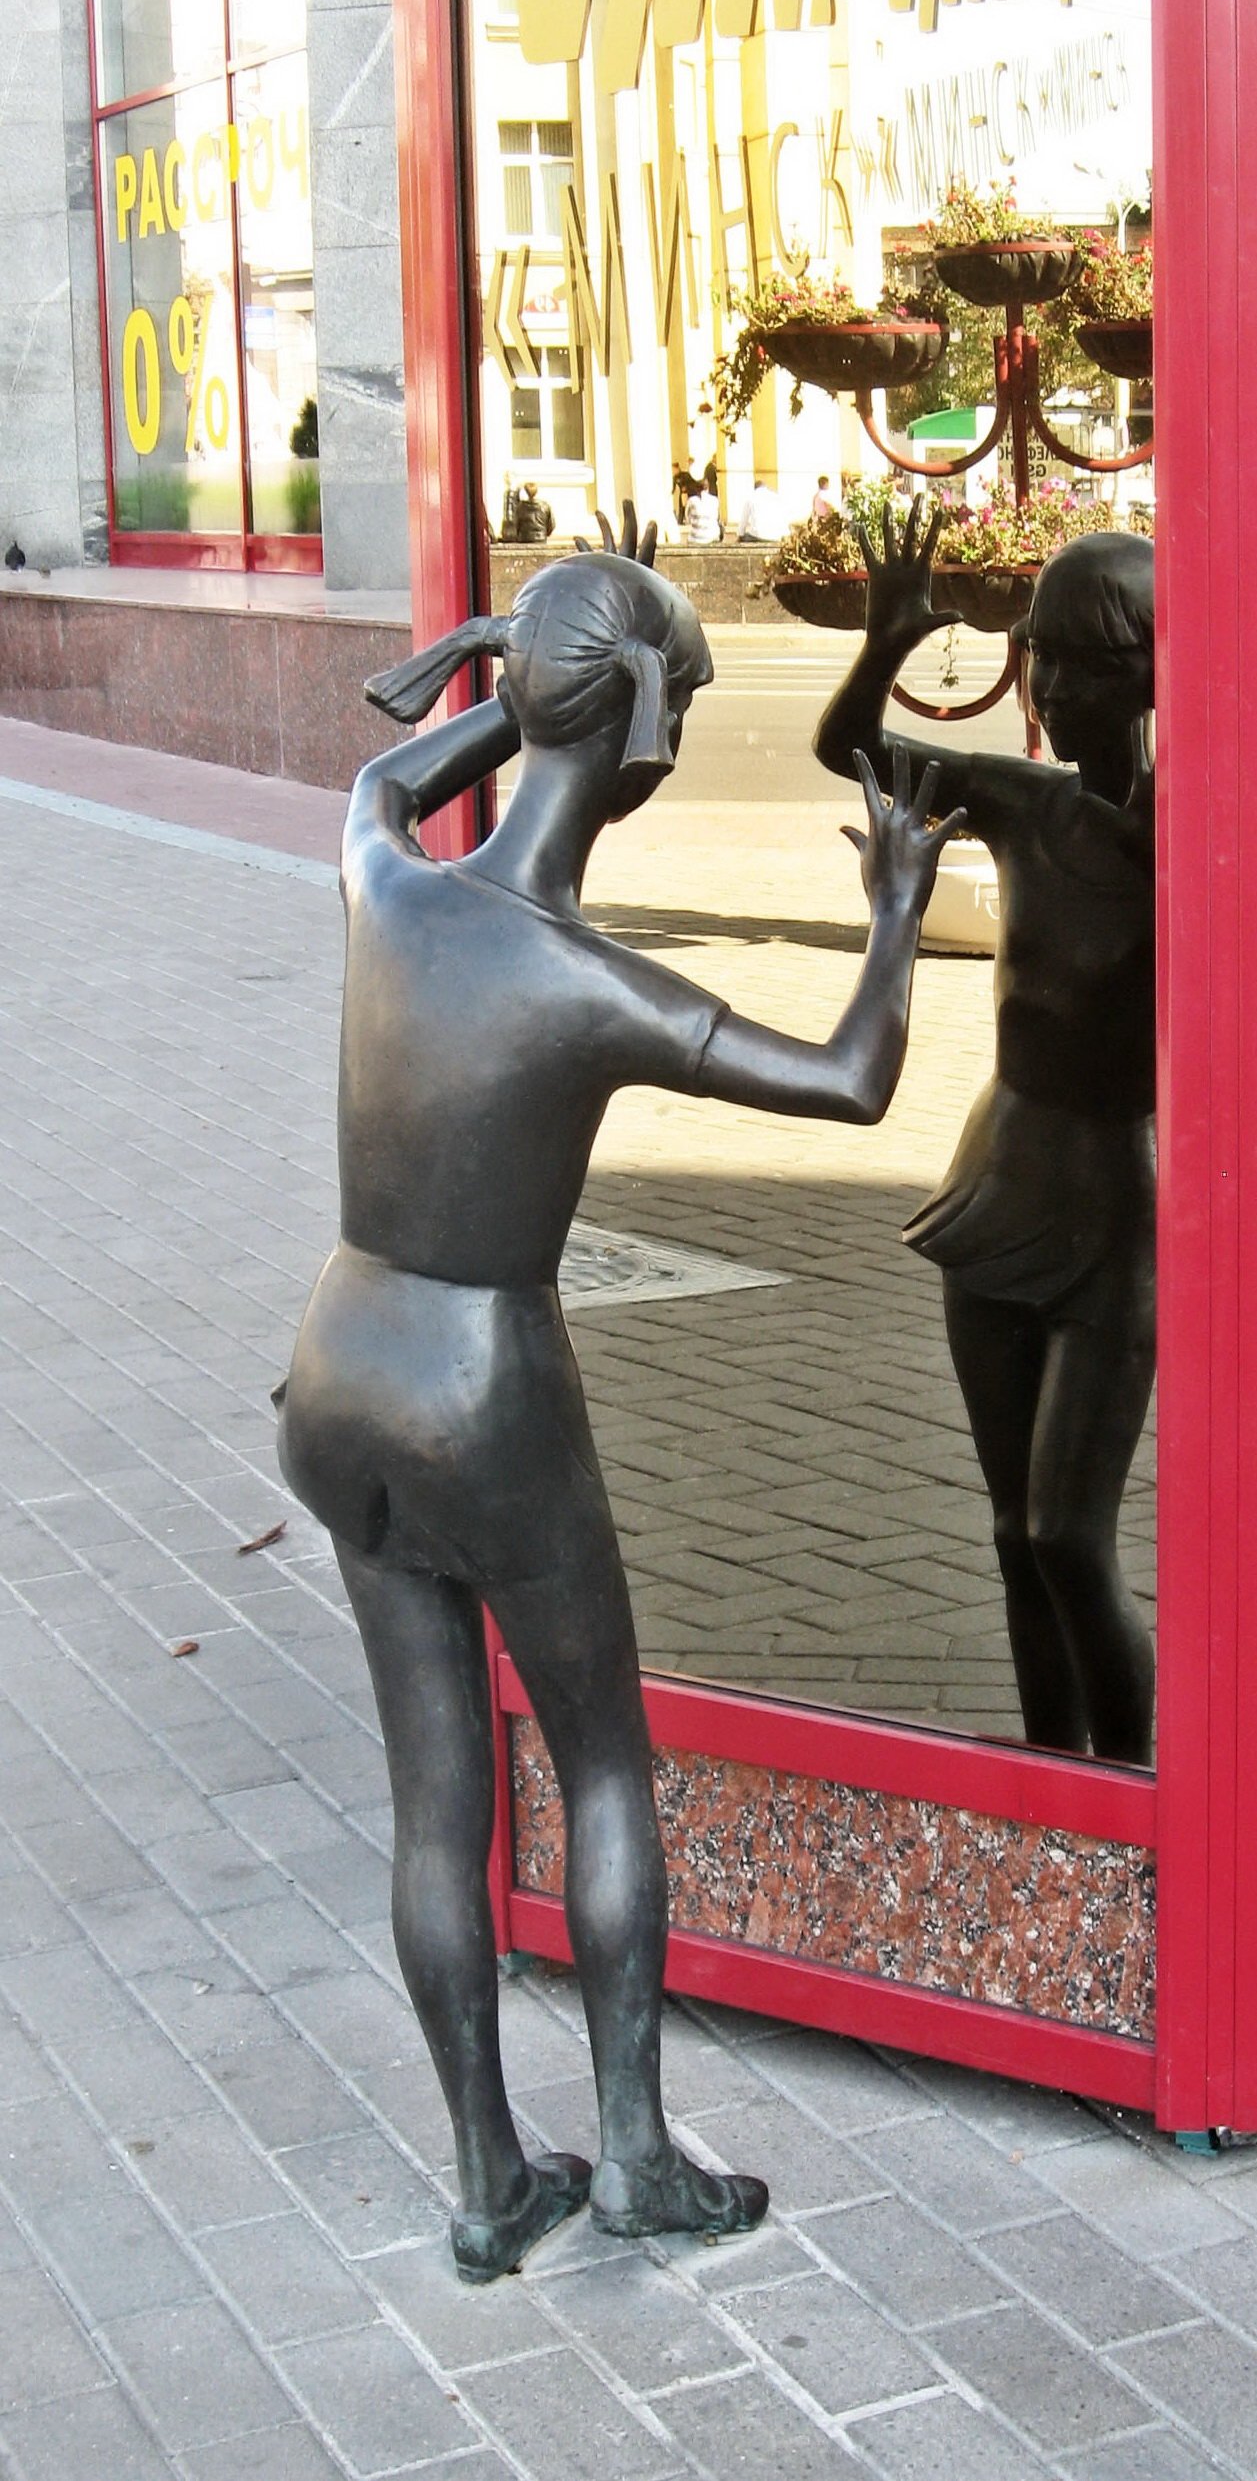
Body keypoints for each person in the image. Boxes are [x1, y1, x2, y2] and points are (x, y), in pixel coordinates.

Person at [277, 531, 962, 2279]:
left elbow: (380, 774)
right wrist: (895, 911)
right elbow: (854, 1079)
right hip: (482, 1387)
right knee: (597, 1763)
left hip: (344, 1362)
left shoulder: (386, 874)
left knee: (435, 1796)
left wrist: (505, 680)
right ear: (648, 730)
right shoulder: (586, 984)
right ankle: (638, 2155)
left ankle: (488, 2179)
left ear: (529, 705)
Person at [815, 502, 1157, 1766]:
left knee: (1069, 1533)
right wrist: (884, 643)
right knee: (1014, 1534)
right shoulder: (1022, 805)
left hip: (1113, 1214)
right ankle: (1052, 1774)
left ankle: (1132, 1782)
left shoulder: (1186, 842)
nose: (1050, 688)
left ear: (1150, 672)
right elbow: (848, 747)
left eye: (1080, 662)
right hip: (997, 1187)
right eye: (1038, 656)